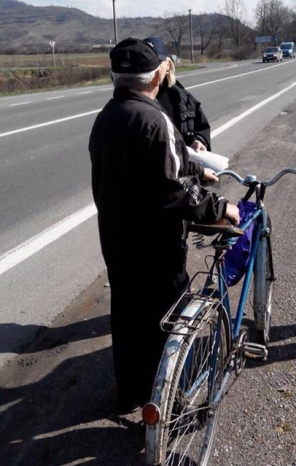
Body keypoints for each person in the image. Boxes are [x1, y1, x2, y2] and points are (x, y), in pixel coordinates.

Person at [88, 37, 240, 414]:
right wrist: (222, 208)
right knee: (166, 320)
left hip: (116, 237)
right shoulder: (155, 120)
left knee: (126, 317)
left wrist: (193, 170)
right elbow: (174, 192)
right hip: (155, 245)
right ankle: (168, 404)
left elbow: (144, 172)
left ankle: (131, 394)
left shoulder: (106, 117)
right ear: (156, 75)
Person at [143, 36, 212, 151]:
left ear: (168, 65)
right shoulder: (135, 100)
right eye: (148, 63)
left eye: (158, 62)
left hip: (187, 165)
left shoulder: (182, 97)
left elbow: (201, 127)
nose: (153, 68)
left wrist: (199, 141)